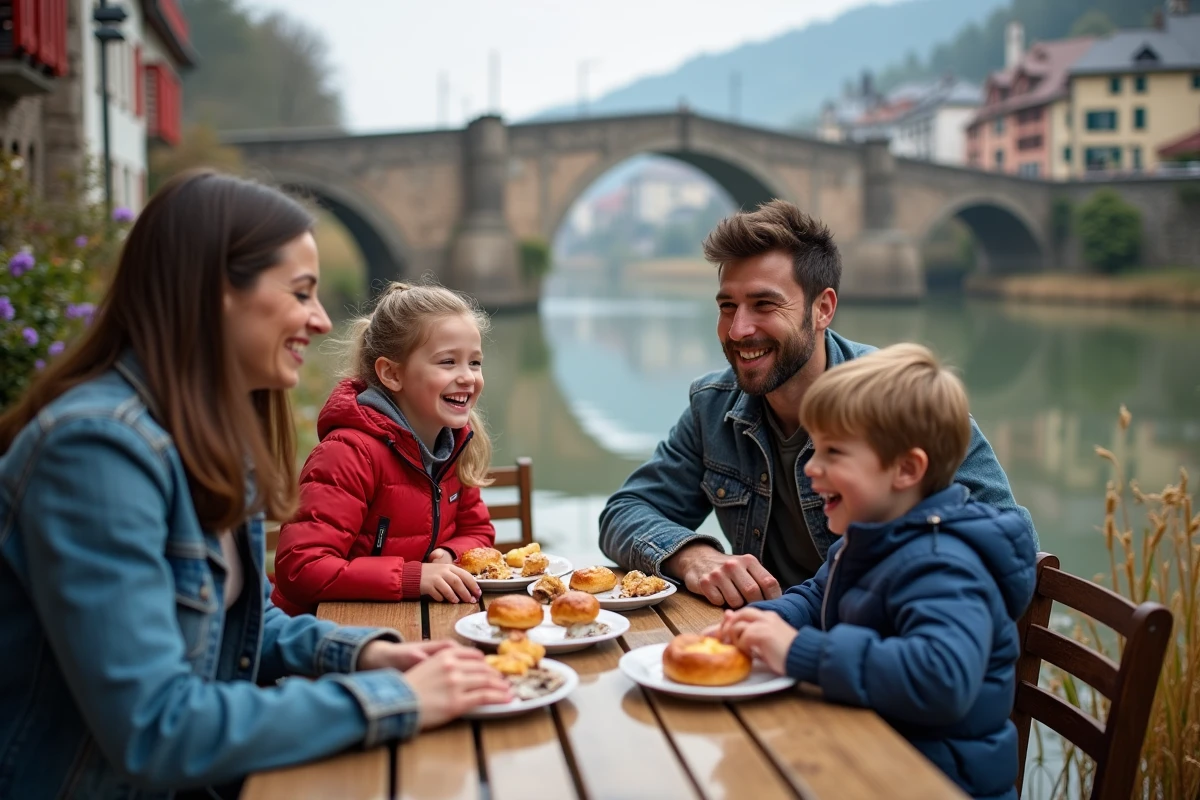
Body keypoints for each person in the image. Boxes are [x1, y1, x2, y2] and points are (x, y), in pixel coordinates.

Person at [0, 171, 511, 799]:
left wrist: (368, 653)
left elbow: (242, 629)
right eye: (301, 293)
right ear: (215, 292)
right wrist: (391, 699)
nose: (322, 321)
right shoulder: (95, 452)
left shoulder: (203, 439)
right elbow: (155, 729)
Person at [599, 199, 1036, 609]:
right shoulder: (713, 406)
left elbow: (1011, 551)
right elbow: (623, 512)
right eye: (728, 306)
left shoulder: (905, 403)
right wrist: (692, 556)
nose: (738, 330)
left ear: (822, 309)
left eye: (764, 304)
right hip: (773, 644)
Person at [712, 343, 1036, 800]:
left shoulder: (944, 564)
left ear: (906, 469)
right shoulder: (871, 536)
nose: (811, 468)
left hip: (934, 782)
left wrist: (800, 652)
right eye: (814, 448)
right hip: (867, 759)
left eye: (833, 453)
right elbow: (817, 597)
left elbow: (939, 679)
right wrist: (768, 621)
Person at [271, 282, 497, 615]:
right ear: (391, 373)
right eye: (448, 362)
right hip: (319, 639)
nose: (467, 377)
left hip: (406, 622)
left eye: (474, 363)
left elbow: (478, 531)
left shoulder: (454, 447)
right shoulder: (348, 453)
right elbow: (300, 568)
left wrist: (451, 553)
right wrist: (411, 577)